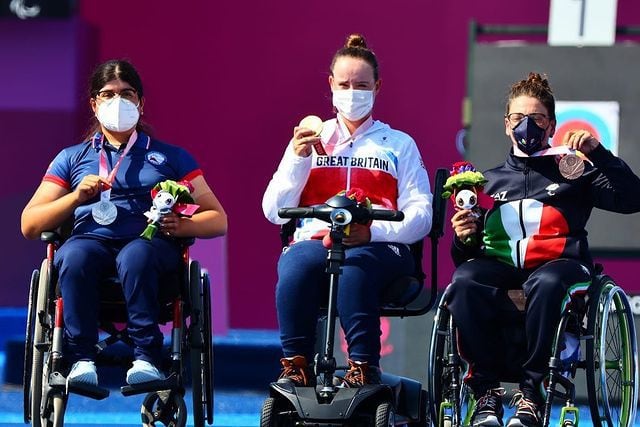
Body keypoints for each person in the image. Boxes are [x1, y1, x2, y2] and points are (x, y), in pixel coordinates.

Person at [445, 72, 640, 427]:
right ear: (506, 125)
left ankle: (532, 393)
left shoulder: (575, 170)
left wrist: (599, 153)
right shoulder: (487, 182)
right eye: (518, 118)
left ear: (551, 124)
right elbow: (466, 256)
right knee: (465, 279)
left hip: (561, 267)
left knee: (547, 282)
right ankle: (485, 394)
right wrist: (463, 237)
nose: (526, 126)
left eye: (536, 119)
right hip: (504, 267)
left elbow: (633, 198)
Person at [20, 59, 227, 387]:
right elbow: (30, 224)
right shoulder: (71, 158)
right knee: (73, 256)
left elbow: (218, 219)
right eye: (108, 94)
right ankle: (81, 359)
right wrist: (74, 198)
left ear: (140, 103)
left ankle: (146, 357)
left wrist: (183, 226)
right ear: (94, 104)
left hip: (150, 246)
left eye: (127, 93)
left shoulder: (172, 157)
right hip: (91, 240)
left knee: (135, 255)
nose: (118, 101)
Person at [262, 34, 432, 387]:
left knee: (353, 269)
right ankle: (296, 365)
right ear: (330, 85)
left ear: (377, 87)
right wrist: (297, 158)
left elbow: (422, 216)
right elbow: (274, 211)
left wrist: (372, 232)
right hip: (318, 241)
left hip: (382, 246)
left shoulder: (399, 144)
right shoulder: (309, 139)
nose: (352, 92)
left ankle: (364, 367)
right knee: (293, 264)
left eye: (361, 85)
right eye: (344, 84)